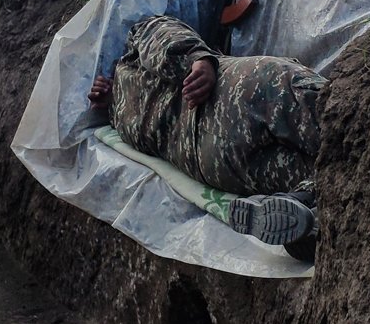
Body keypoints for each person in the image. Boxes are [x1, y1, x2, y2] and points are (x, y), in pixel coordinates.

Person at [88, 14, 325, 251]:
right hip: (233, 93)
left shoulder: (121, 123)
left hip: (211, 160)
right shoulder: (129, 63)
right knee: (335, 124)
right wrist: (198, 59)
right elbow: (158, 29)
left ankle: (307, 209)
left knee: (323, 171)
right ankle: (311, 208)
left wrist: (111, 101)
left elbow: (159, 33)